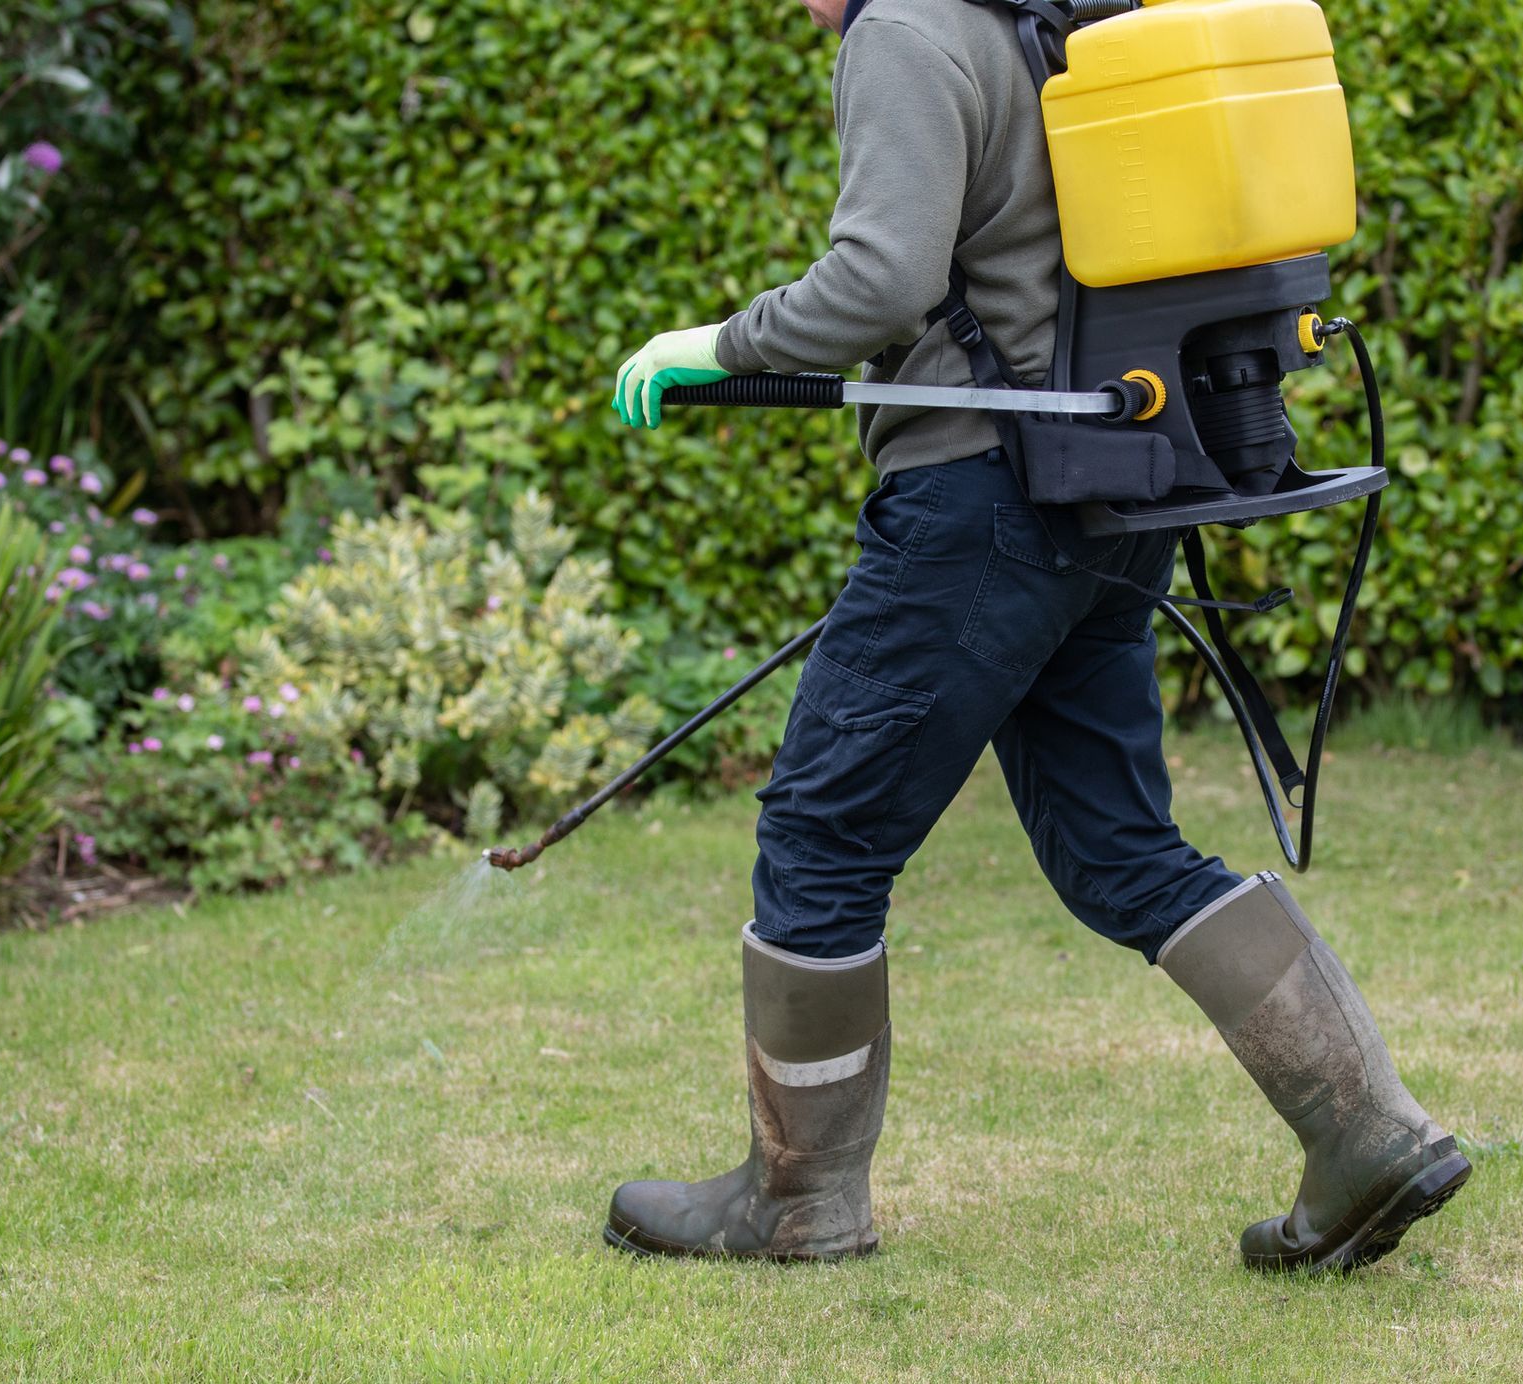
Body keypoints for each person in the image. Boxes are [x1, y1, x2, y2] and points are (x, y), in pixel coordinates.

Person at [601, 0, 1470, 1272]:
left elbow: (882, 278)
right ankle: (1368, 1133)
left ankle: (798, 1202)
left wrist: (715, 342)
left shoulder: (905, 30)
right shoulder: (1063, 18)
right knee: (1119, 847)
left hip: (975, 508)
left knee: (822, 835)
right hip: (1114, 490)